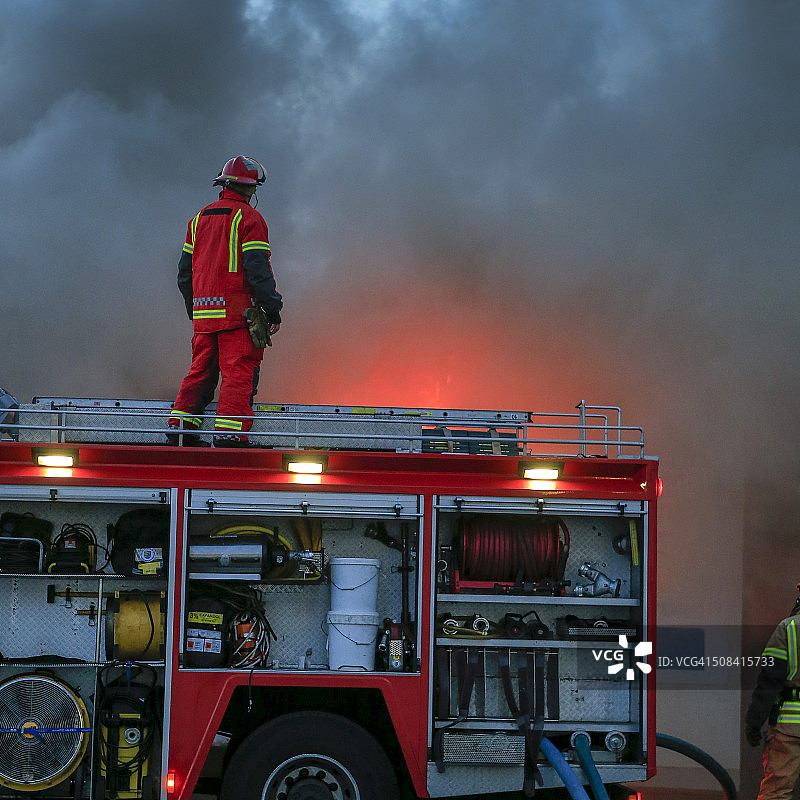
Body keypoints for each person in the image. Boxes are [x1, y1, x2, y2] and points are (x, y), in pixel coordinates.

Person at [168, 155, 282, 447]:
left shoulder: (198, 219)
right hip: (237, 315)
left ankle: (181, 429)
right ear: (251, 189)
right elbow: (257, 268)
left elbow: (184, 273)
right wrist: (272, 308)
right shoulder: (250, 219)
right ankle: (229, 435)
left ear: (224, 184)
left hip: (205, 315)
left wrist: (196, 310)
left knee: (199, 372)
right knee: (238, 372)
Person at [745, 585, 800, 799]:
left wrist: (754, 721)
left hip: (790, 728)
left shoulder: (789, 628)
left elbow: (769, 681)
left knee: (777, 792)